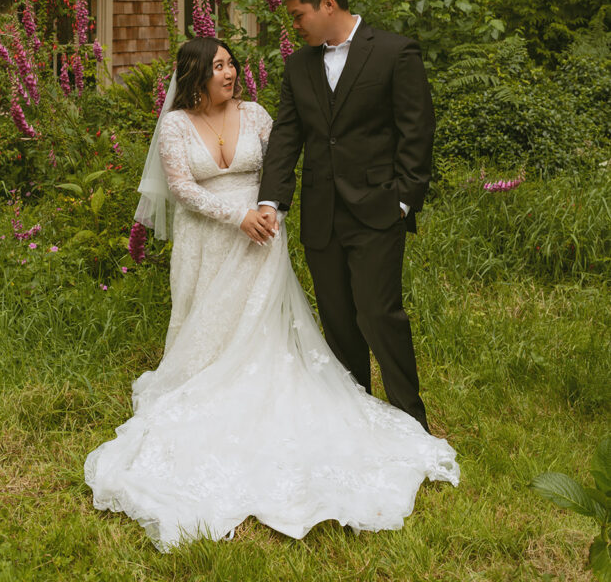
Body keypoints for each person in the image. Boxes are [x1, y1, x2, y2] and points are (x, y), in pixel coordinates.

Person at [84, 36, 458, 551]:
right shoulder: (174, 125)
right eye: (217, 67)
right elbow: (183, 189)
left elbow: (279, 165)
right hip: (208, 240)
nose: (229, 73)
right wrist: (234, 215)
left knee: (265, 333)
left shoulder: (257, 114)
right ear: (194, 75)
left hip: (260, 236)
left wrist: (268, 212)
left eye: (231, 64)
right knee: (207, 329)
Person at [259, 0, 434, 431]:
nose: (294, 27)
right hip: (321, 214)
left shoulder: (395, 53)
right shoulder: (298, 66)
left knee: (379, 315)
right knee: (338, 321)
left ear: (328, 4)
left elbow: (416, 133)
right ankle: (357, 422)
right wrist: (271, 201)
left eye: (298, 16)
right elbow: (286, 138)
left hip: (379, 209)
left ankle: (411, 422)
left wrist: (402, 201)